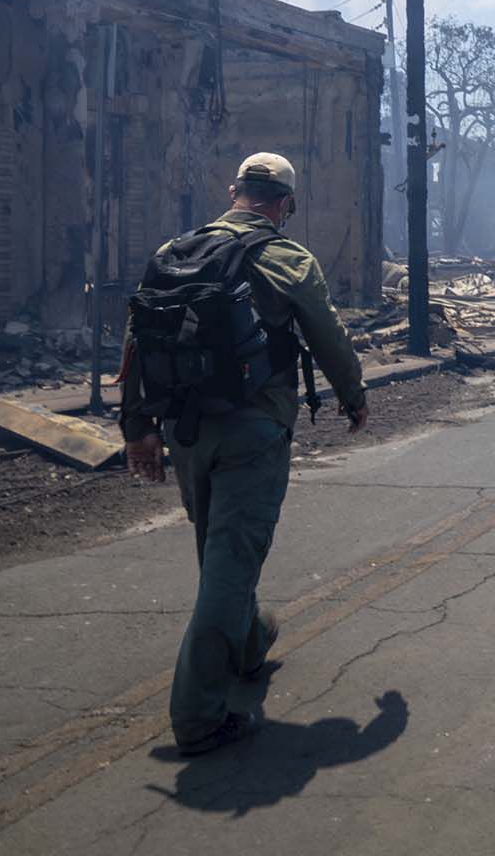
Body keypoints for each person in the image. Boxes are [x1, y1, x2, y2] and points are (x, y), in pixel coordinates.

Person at [122, 152, 368, 756]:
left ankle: (251, 642)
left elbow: (138, 336)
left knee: (219, 549)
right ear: (284, 203)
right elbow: (328, 335)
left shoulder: (175, 253)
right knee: (231, 560)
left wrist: (138, 428)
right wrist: (353, 397)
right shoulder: (287, 257)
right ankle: (199, 717)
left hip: (184, 431)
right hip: (252, 431)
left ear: (235, 191)